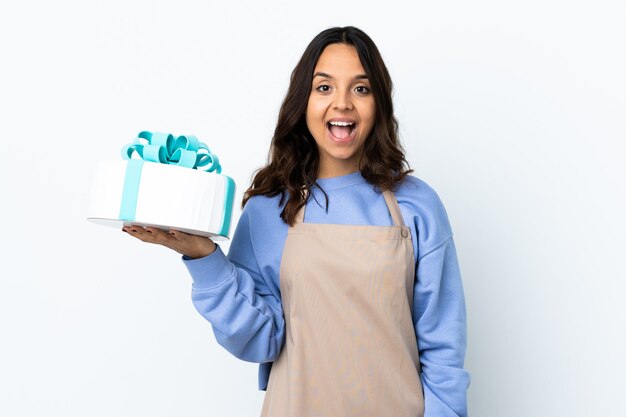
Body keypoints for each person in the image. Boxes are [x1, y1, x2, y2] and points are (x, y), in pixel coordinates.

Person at [123, 26, 471, 417]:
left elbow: (443, 347)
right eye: (324, 88)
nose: (342, 104)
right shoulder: (270, 208)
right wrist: (204, 258)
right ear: (302, 100)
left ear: (380, 103)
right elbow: (261, 340)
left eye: (361, 88)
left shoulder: (416, 204)